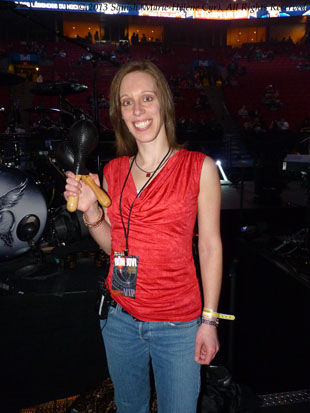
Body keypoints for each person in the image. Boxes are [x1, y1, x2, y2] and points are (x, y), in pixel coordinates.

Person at [64, 60, 222, 413]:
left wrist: (209, 321)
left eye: (147, 98)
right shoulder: (113, 171)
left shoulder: (199, 167)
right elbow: (114, 246)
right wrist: (91, 212)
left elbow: (210, 247)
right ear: (119, 114)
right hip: (120, 319)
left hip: (178, 326)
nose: (138, 110)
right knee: (128, 408)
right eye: (127, 102)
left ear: (163, 103)